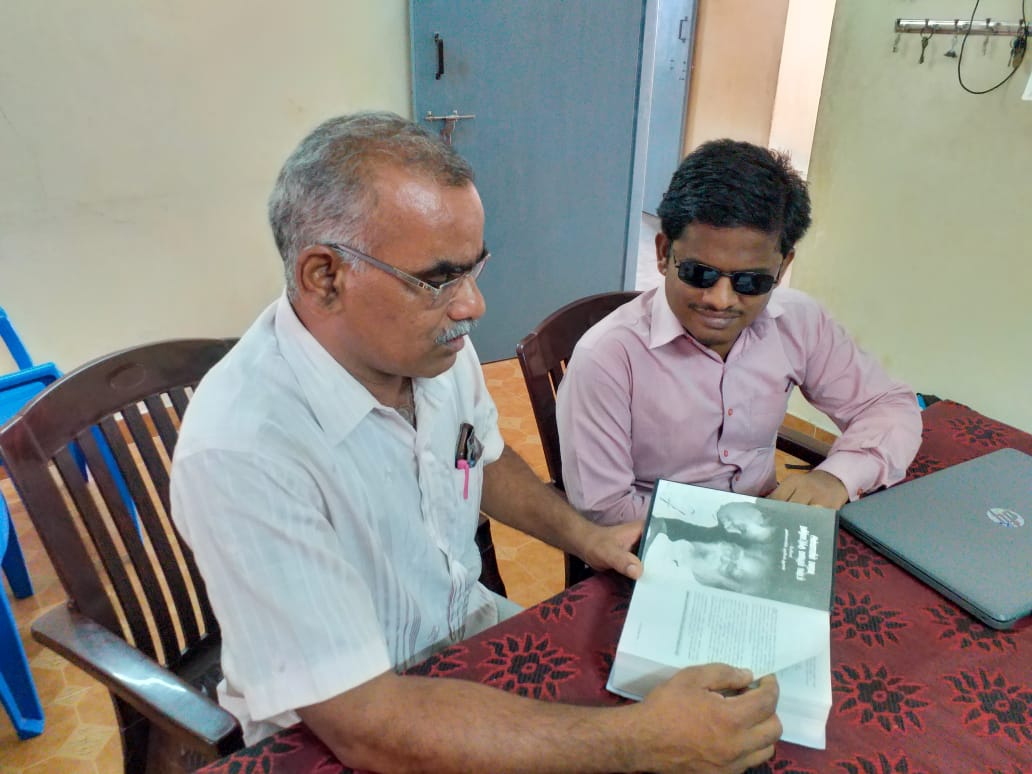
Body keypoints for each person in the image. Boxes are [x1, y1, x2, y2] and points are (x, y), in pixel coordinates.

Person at [170, 113, 781, 773]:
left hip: (469, 641)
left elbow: (480, 456)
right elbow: (366, 727)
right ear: (325, 277)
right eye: (439, 279)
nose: (472, 306)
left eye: (474, 269)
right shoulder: (246, 451)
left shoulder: (431, 351)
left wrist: (586, 537)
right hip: (346, 731)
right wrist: (643, 741)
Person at [556, 139, 922, 526]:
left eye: (751, 281)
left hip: (766, 525)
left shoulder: (798, 321)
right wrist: (737, 524)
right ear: (664, 254)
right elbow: (605, 507)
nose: (720, 300)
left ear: (782, 268)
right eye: (699, 273)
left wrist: (837, 477)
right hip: (656, 539)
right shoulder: (607, 358)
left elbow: (889, 405)